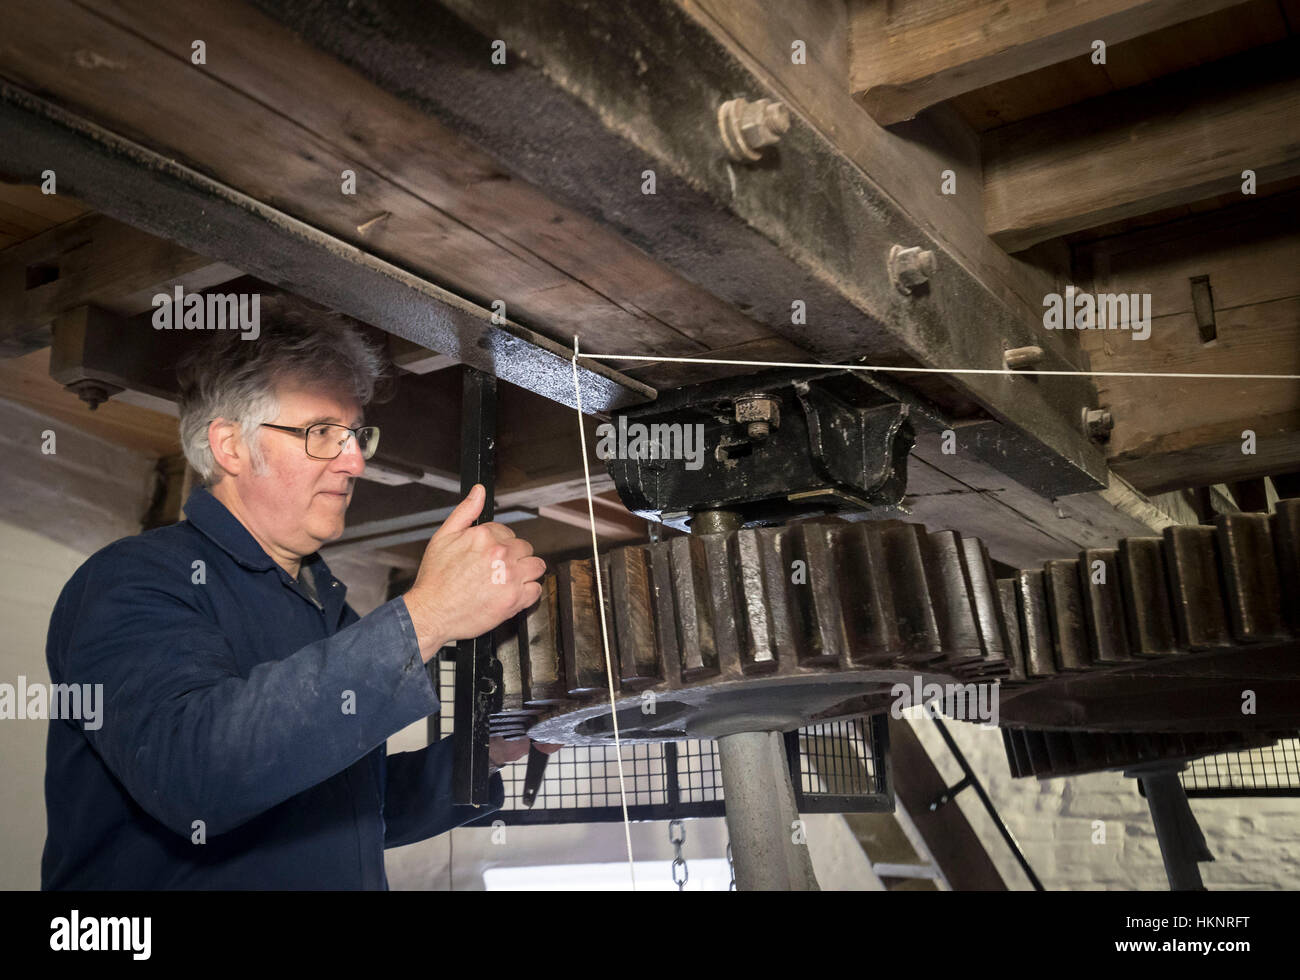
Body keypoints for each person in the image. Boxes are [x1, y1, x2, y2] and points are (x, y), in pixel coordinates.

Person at [41, 304, 554, 889]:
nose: (356, 460)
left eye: (357, 434)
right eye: (320, 434)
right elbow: (195, 774)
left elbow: (349, 811)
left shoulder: (326, 608)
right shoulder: (132, 581)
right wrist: (428, 614)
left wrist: (485, 751)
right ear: (230, 446)